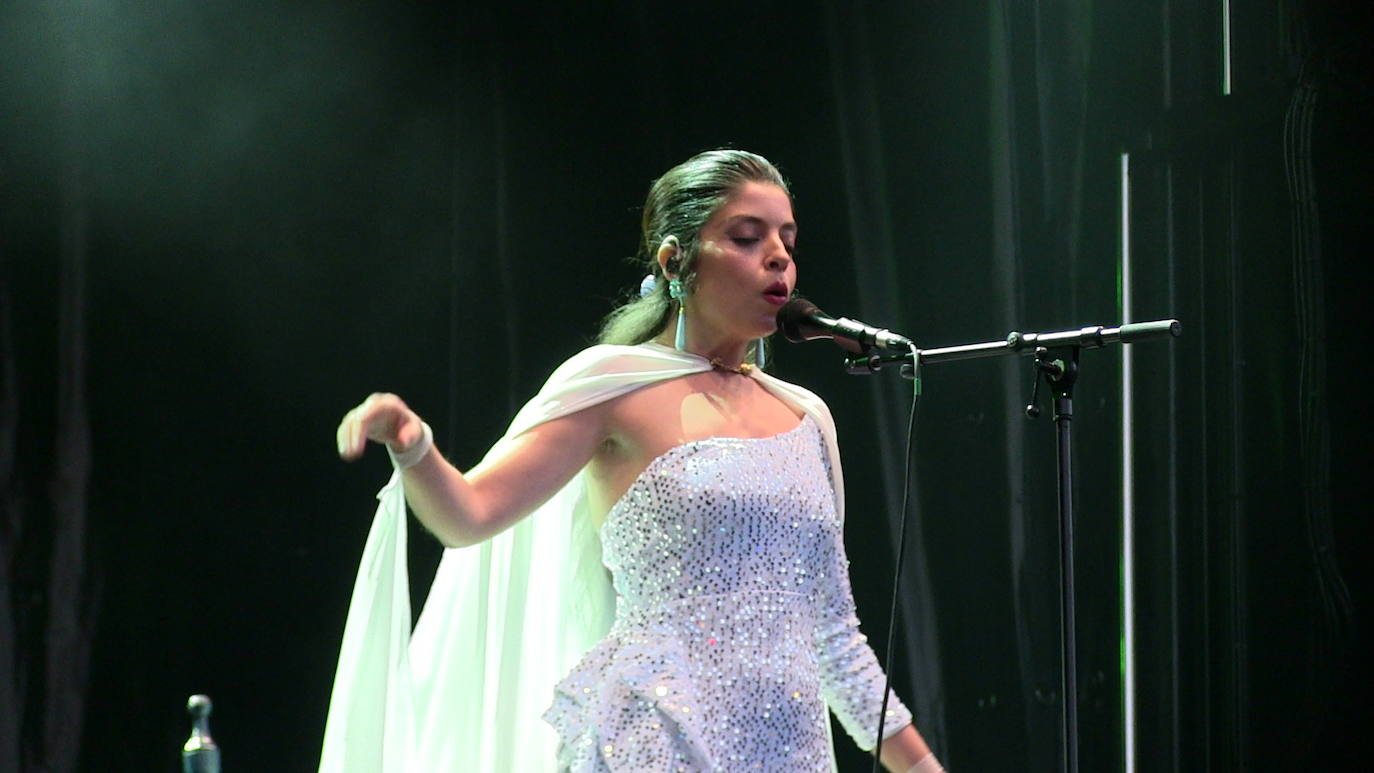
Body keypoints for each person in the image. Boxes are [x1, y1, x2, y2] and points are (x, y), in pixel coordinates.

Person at [321, 150, 944, 773]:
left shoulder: (805, 417)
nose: (778, 256)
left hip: (788, 748)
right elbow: (469, 516)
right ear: (675, 262)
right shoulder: (615, 385)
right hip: (654, 737)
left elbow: (834, 637)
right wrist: (413, 444)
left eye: (788, 239)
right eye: (746, 237)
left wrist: (922, 767)